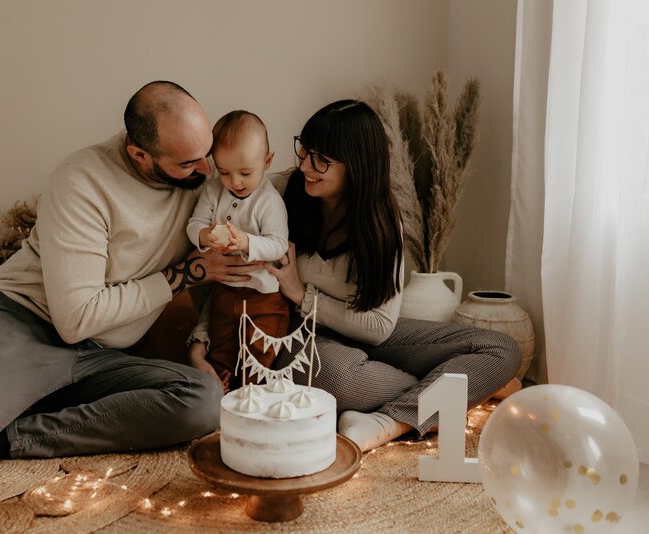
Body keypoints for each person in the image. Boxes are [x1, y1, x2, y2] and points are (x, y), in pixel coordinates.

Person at [0, 81, 256, 483]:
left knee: (201, 402)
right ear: (140, 154)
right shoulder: (82, 180)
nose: (207, 171)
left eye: (206, 154)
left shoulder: (204, 180)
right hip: (24, 328)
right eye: (189, 163)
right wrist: (186, 275)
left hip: (99, 356)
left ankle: (1, 438)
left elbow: (256, 199)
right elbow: (75, 319)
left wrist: (202, 344)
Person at [194, 99, 521, 452]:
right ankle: (443, 393)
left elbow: (379, 328)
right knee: (328, 372)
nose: (306, 166)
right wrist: (201, 341)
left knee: (498, 348)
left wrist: (300, 294)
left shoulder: (381, 223)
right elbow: (230, 275)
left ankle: (389, 420)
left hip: (368, 334)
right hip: (300, 339)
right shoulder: (275, 192)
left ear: (357, 165)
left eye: (321, 159)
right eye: (304, 151)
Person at [186, 111, 289, 391]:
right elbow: (194, 224)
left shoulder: (268, 201)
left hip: (263, 298)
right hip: (223, 293)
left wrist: (246, 243)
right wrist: (205, 235)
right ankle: (222, 394)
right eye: (225, 172)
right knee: (221, 350)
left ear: (267, 161)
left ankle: (252, 396)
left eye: (245, 173)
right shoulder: (212, 192)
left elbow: (278, 244)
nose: (236, 182)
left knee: (259, 355)